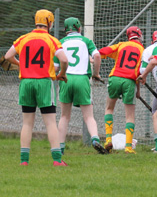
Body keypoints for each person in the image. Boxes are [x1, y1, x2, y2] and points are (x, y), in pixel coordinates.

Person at [4, 9, 69, 166]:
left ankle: (24, 161)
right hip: (44, 83)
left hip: (26, 82)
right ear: (48, 22)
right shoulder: (51, 40)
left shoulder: (23, 38)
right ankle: (57, 160)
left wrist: (22, 64)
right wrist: (61, 73)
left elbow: (7, 56)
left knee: (27, 123)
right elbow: (64, 60)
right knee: (51, 123)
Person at [54, 17, 107, 155]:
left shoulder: (59, 43)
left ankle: (60, 147)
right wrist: (96, 73)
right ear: (79, 28)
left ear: (65, 30)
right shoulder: (86, 41)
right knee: (89, 116)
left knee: (64, 116)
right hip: (82, 78)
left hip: (66, 78)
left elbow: (55, 67)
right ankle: (95, 139)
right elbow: (97, 56)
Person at [99, 26, 144, 154]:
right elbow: (139, 73)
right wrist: (138, 89)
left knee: (109, 108)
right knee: (129, 116)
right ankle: (128, 147)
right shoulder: (142, 50)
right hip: (129, 81)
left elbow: (103, 51)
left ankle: (108, 140)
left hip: (115, 77)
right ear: (139, 36)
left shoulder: (121, 45)